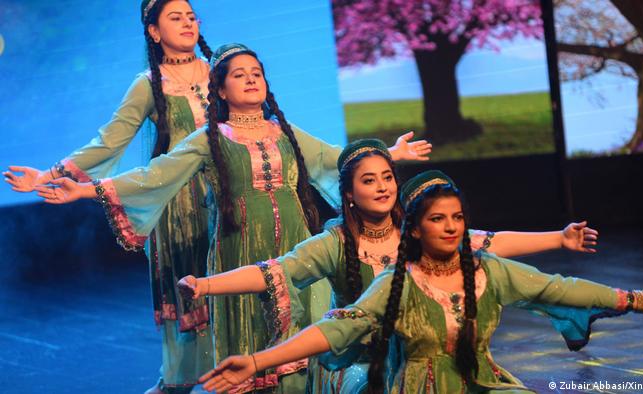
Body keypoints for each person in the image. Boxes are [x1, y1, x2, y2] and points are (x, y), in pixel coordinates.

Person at [32, 44, 430, 393]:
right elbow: (157, 174)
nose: (251, 80)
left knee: (305, 348)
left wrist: (389, 154)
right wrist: (84, 189)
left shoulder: (282, 132)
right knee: (254, 348)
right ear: (220, 89)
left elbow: (333, 159)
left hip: (297, 247)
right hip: (240, 251)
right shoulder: (210, 138)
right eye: (239, 75)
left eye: (257, 73)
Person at [178, 142, 603, 394]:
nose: (382, 187)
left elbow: (488, 243)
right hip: (360, 365)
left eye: (387, 177)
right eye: (369, 180)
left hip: (425, 360)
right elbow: (274, 272)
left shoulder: (418, 231)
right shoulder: (335, 243)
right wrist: (205, 285)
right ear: (348, 194)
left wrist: (558, 238)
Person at [4, 2, 215, 392]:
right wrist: (48, 175)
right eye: (175, 17)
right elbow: (109, 141)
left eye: (191, 16)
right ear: (153, 31)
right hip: (182, 203)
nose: (187, 22)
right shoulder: (150, 84)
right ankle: (181, 380)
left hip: (233, 197)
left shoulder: (221, 69)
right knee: (194, 291)